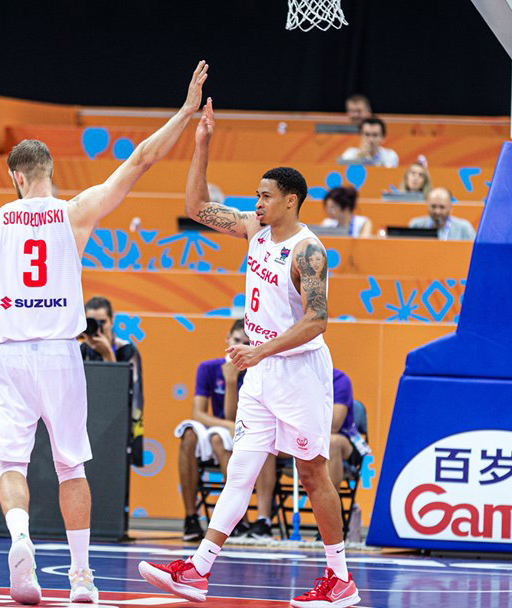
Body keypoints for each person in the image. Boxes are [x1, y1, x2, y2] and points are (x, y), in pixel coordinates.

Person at [0, 62, 209, 605]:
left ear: (15, 177)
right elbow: (141, 159)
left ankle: (22, 539)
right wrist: (185, 112)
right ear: (49, 172)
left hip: (5, 353)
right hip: (58, 352)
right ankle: (80, 578)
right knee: (70, 465)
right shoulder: (76, 212)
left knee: (11, 463)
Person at [138, 99, 360, 607]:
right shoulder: (254, 230)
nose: (256, 203)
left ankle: (339, 577)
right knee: (241, 466)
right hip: (262, 369)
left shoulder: (309, 251)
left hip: (299, 369)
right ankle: (198, 569)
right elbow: (196, 208)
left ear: (292, 201)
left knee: (311, 471)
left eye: (265, 196)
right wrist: (202, 142)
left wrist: (260, 351)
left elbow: (317, 320)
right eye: (255, 195)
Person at [175, 319, 248, 541]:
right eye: (236, 341)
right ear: (227, 339)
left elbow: (233, 417)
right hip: (220, 426)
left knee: (221, 439)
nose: (239, 347)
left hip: (244, 429)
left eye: (247, 343)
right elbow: (198, 414)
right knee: (189, 434)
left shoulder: (256, 370)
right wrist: (227, 426)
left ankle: (233, 520)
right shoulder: (207, 368)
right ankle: (190, 519)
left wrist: (231, 382)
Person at [80, 295, 144, 467]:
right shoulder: (79, 351)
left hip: (117, 427)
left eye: (102, 322)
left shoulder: (127, 350)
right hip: (85, 424)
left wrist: (108, 355)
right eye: (92, 323)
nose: (98, 329)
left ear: (112, 321)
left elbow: (129, 395)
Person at [327, 369, 370, 493]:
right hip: (296, 440)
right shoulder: (290, 379)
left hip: (343, 439)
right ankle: (266, 511)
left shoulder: (339, 379)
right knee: (268, 441)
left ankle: (330, 509)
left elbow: (334, 426)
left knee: (331, 442)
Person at [409, 187, 476, 240]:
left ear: (450, 208)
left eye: (442, 207)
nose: (437, 211)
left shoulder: (464, 228)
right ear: (427, 206)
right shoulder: (416, 225)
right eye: (433, 206)